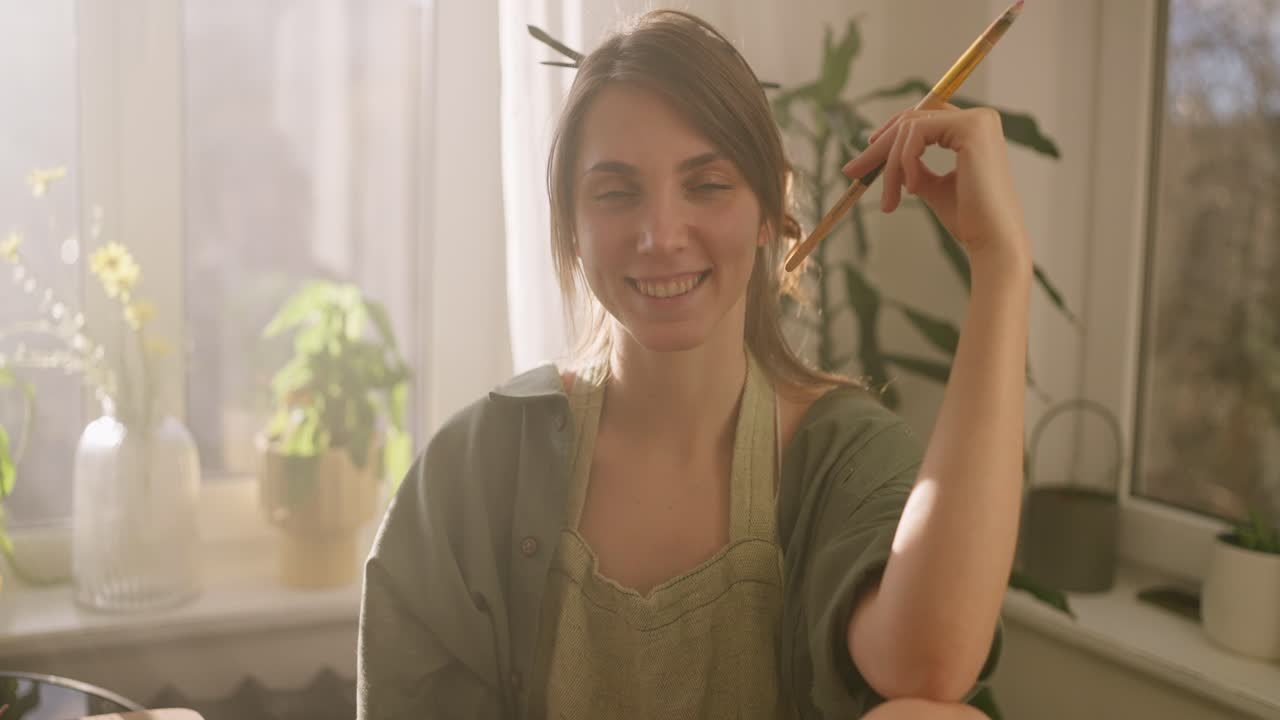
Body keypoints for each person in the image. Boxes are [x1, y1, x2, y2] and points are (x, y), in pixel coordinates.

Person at [358, 9, 1027, 720]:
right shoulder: (474, 469)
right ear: (570, 226)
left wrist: (1001, 266)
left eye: (707, 185)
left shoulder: (839, 456)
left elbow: (928, 666)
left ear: (769, 211)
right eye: (616, 192)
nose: (662, 236)